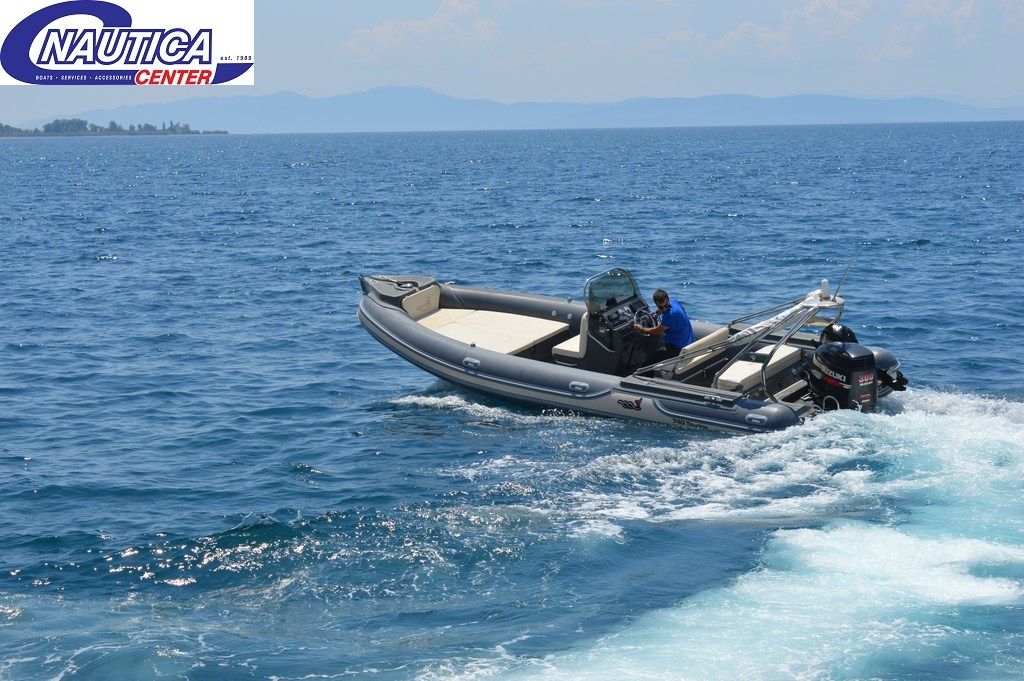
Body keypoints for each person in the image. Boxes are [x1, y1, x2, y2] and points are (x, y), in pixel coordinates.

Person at [633, 288, 695, 359]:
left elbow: (656, 331)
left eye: (666, 306)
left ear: (668, 300)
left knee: (648, 362)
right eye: (661, 307)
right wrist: (660, 311)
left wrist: (641, 329)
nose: (664, 309)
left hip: (678, 349)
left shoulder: (670, 315)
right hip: (688, 343)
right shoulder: (673, 301)